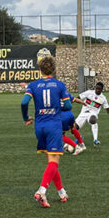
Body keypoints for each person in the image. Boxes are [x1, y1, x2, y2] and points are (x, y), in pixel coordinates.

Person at [21, 56, 71, 208]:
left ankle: (61, 192)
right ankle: (41, 191)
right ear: (53, 70)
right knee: (54, 162)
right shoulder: (59, 85)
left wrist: (26, 118)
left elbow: (24, 102)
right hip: (54, 126)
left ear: (40, 70)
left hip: (39, 127)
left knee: (51, 161)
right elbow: (68, 105)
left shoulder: (33, 85)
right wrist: (57, 107)